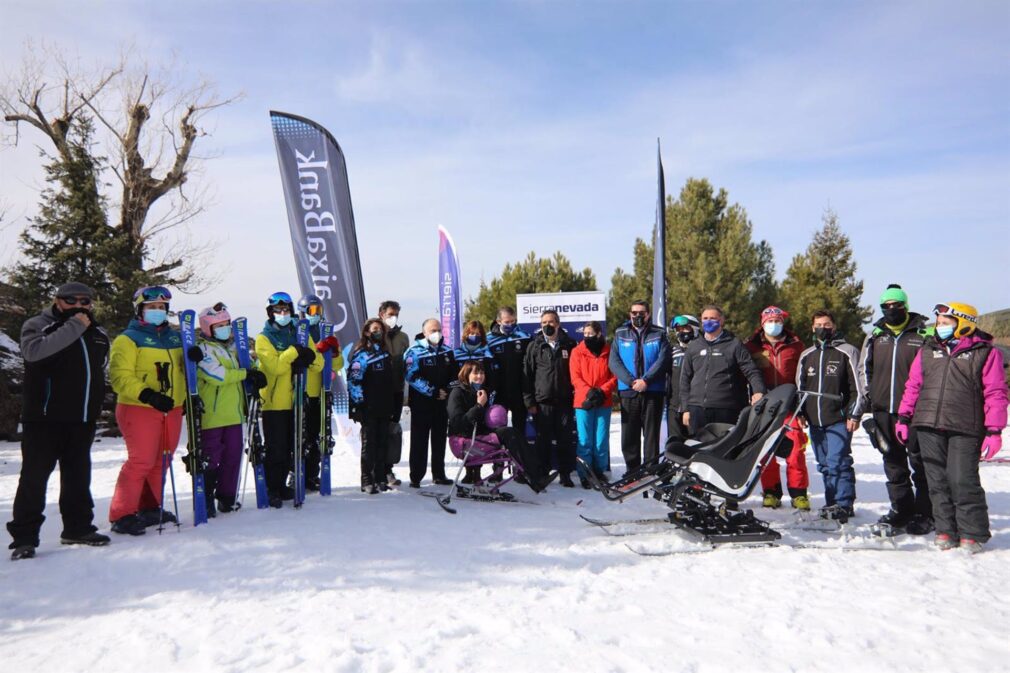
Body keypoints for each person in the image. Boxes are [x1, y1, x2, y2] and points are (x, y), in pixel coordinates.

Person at [7, 282, 111, 560]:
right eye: (71, 300)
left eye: (85, 301)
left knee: (78, 476)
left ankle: (77, 528)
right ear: (57, 300)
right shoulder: (37, 325)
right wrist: (74, 326)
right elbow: (34, 353)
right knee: (34, 478)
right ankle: (24, 538)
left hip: (83, 418)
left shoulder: (99, 333)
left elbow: (100, 370)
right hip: (44, 418)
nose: (78, 305)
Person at [897, 302, 1008, 553]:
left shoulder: (986, 353)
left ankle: (972, 532)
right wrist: (904, 417)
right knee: (936, 481)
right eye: (938, 322)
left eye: (946, 322)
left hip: (965, 426)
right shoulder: (927, 350)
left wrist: (994, 430)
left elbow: (996, 393)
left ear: (964, 323)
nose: (940, 326)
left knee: (962, 480)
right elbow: (913, 386)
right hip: (928, 424)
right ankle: (945, 529)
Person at [107, 286, 189, 535]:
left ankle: (150, 506)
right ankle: (122, 513)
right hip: (139, 407)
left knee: (161, 460)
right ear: (140, 310)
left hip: (172, 407)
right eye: (151, 307)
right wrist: (148, 395)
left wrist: (192, 356)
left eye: (161, 308)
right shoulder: (128, 338)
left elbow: (184, 373)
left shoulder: (174, 338)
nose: (157, 311)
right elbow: (120, 377)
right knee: (141, 460)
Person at [857, 284, 934, 534]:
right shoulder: (876, 335)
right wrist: (870, 396)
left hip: (915, 411)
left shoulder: (923, 334)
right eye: (886, 307)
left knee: (919, 464)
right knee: (892, 462)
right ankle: (901, 509)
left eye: (896, 306)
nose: (891, 310)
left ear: (906, 306)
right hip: (883, 410)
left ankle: (925, 513)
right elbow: (864, 369)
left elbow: (933, 370)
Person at [195, 303, 267, 515]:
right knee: (212, 457)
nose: (224, 329)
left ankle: (227, 497)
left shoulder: (233, 349)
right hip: (213, 414)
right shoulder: (201, 350)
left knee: (233, 456)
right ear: (208, 327)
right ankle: (206, 496)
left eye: (227, 324)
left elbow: (247, 366)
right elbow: (217, 375)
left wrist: (255, 371)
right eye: (219, 325)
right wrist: (246, 374)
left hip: (235, 414)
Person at [796, 310, 864, 523]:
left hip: (839, 418)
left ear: (834, 327)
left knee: (838, 461)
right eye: (818, 324)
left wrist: (854, 413)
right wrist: (801, 412)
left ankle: (844, 504)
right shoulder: (807, 354)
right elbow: (801, 388)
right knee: (824, 464)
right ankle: (831, 502)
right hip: (815, 420)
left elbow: (858, 388)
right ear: (812, 327)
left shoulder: (846, 352)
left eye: (826, 324)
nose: (822, 328)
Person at [254, 292, 319, 507]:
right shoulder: (264, 338)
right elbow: (276, 367)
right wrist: (294, 352)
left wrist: (308, 357)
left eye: (286, 310)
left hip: (297, 399)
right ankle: (273, 487)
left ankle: (284, 485)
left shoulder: (300, 332)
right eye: (278, 311)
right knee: (276, 447)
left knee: (294, 445)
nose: (283, 314)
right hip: (275, 402)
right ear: (270, 313)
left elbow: (318, 363)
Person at [744, 306, 810, 511]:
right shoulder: (751, 347)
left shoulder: (796, 346)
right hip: (764, 407)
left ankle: (799, 494)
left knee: (795, 450)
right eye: (770, 320)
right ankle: (771, 492)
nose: (774, 324)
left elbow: (805, 378)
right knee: (766, 451)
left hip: (791, 406)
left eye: (778, 320)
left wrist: (802, 410)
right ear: (763, 323)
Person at [448, 361, 544, 491]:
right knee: (509, 434)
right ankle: (534, 476)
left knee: (511, 433)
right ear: (466, 374)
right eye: (475, 373)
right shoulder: (457, 393)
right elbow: (458, 423)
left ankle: (531, 474)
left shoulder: (482, 392)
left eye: (482, 373)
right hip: (461, 442)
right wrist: (479, 406)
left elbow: (482, 422)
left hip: (477, 437)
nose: (480, 376)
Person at [680, 305, 766, 435]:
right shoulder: (694, 346)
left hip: (726, 408)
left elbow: (751, 371)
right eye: (705, 318)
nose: (709, 321)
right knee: (699, 449)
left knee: (725, 450)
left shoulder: (734, 344)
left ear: (721, 321)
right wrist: (685, 408)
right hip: (697, 409)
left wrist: (759, 391)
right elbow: (685, 378)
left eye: (713, 318)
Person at [609, 300, 671, 472]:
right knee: (629, 434)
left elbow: (663, 359)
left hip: (653, 391)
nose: (637, 316)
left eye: (641, 313)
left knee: (651, 434)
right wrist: (631, 382)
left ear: (648, 314)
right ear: (630, 314)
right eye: (634, 313)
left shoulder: (659, 334)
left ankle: (651, 470)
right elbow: (614, 362)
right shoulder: (621, 333)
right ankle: (633, 471)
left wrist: (646, 380)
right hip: (629, 391)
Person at [523, 310, 578, 487]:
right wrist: (529, 401)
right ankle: (542, 472)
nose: (547, 325)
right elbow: (527, 375)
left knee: (565, 439)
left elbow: (576, 372)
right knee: (542, 440)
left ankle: (565, 474)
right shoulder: (535, 346)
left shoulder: (569, 344)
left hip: (564, 401)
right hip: (542, 402)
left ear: (558, 324)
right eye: (544, 322)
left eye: (551, 322)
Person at [347, 319, 398, 494]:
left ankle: (381, 477)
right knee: (369, 444)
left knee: (383, 442)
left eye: (381, 330)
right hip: (368, 407)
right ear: (367, 332)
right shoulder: (362, 354)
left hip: (384, 406)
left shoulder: (385, 353)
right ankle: (366, 479)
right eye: (375, 329)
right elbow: (354, 381)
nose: (379, 333)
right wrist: (358, 405)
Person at [404, 318, 457, 488]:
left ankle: (439, 474)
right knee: (419, 440)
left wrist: (446, 391)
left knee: (439, 439)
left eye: (439, 330)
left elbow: (455, 375)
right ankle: (416, 476)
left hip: (442, 404)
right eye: (433, 330)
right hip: (422, 404)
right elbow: (411, 376)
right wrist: (433, 391)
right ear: (425, 332)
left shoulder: (447, 351)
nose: (437, 333)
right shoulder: (414, 351)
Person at [570, 321, 617, 488]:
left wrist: (602, 391)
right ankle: (584, 474)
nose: (587, 336)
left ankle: (599, 472)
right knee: (585, 440)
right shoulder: (577, 352)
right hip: (584, 402)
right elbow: (575, 377)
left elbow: (614, 375)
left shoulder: (609, 350)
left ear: (599, 334)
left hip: (603, 401)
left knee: (601, 440)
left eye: (591, 333)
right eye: (585, 333)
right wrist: (590, 392)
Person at [452, 319, 498, 483]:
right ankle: (468, 471)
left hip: (482, 396)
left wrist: (489, 396)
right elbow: (451, 376)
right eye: (471, 334)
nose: (474, 336)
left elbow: (493, 377)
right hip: (463, 397)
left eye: (478, 334)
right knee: (465, 432)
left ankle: (478, 471)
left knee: (481, 434)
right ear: (466, 334)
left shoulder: (487, 353)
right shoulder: (456, 353)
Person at [296, 294, 332, 492]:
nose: (315, 315)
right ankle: (296, 473)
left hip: (319, 392)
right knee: (301, 436)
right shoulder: (297, 331)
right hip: (301, 392)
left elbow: (337, 363)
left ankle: (311, 474)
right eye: (311, 311)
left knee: (316, 436)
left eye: (318, 311)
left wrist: (333, 355)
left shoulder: (325, 332)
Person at [378, 300, 410, 486]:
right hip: (378, 392)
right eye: (390, 314)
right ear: (381, 314)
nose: (393, 317)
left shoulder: (403, 337)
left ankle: (388, 469)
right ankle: (375, 471)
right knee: (377, 431)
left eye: (396, 314)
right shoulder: (373, 333)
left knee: (392, 430)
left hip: (397, 390)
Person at [487, 306, 533, 433]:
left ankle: (519, 452)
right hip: (499, 392)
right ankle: (501, 452)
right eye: (507, 322)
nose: (511, 324)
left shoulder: (524, 337)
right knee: (499, 428)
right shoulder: (488, 340)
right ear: (498, 321)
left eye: (513, 321)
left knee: (519, 428)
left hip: (519, 391)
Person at [665, 315, 699, 443]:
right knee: (675, 444)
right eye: (678, 329)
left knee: (695, 443)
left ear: (694, 328)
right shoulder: (673, 351)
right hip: (674, 407)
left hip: (695, 406)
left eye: (685, 328)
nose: (681, 332)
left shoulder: (702, 349)